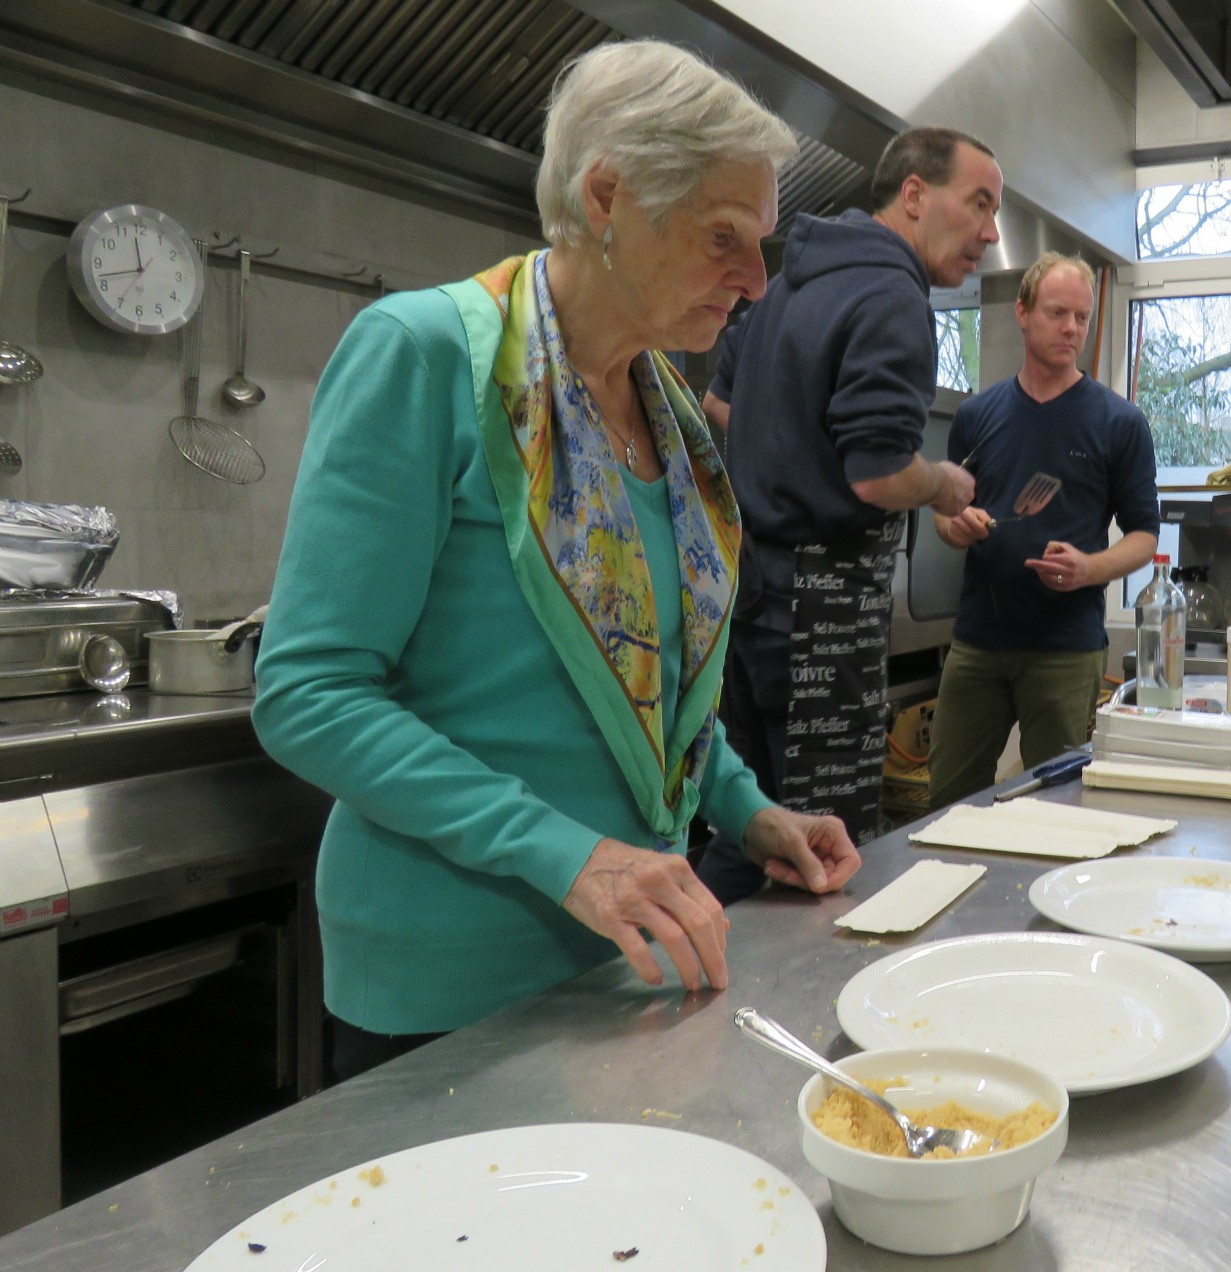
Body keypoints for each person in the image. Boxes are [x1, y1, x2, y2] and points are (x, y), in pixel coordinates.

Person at [254, 41, 860, 1082]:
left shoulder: (674, 421)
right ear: (606, 195)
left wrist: (747, 809)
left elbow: (651, 695)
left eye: (758, 243)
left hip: (635, 955)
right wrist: (564, 854)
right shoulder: (429, 355)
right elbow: (307, 693)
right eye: (725, 236)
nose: (755, 281)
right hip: (448, 982)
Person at [694, 127, 1002, 902]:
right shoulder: (892, 295)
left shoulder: (786, 283)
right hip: (821, 620)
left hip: (750, 602)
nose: (991, 233)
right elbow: (876, 473)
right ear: (913, 195)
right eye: (980, 204)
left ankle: (681, 999)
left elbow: (717, 402)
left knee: (750, 827)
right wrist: (941, 485)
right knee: (823, 851)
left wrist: (786, 452)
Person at [925, 253, 1161, 806]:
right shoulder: (977, 416)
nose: (1072, 329)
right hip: (977, 642)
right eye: (1058, 313)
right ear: (1023, 313)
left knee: (1055, 806)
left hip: (1065, 649)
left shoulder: (1119, 422)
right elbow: (943, 515)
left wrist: (1088, 569)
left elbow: (1144, 536)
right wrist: (954, 524)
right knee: (947, 800)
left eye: (1082, 317)